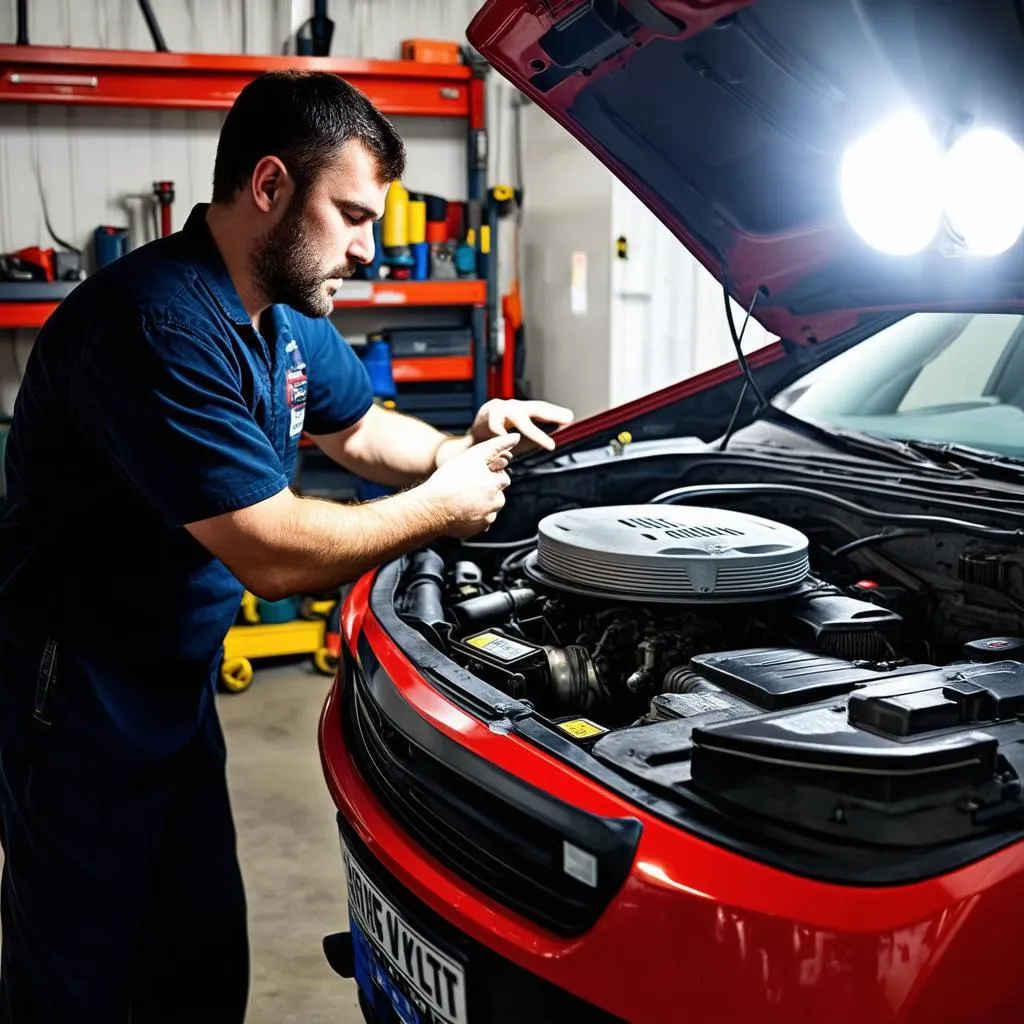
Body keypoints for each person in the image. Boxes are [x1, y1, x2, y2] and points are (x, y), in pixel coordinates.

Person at [0, 69, 572, 1022]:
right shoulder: (158, 325)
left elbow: (361, 433)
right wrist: (442, 507)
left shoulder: (283, 314)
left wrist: (463, 445)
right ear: (269, 187)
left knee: (196, 959)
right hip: (76, 701)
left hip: (170, 687)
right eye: (350, 214)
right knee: (80, 978)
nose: (369, 246)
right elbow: (271, 550)